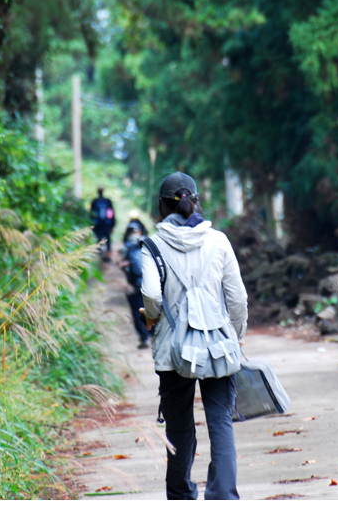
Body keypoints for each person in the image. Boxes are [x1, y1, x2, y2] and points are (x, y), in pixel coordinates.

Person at [139, 171, 248, 500]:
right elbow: (238, 299)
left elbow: (151, 296)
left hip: (173, 351)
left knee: (179, 428)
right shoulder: (219, 241)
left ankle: (182, 495)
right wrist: (236, 336)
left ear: (161, 206)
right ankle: (223, 496)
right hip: (217, 346)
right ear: (195, 201)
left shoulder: (152, 246)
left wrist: (153, 317)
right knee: (221, 422)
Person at [120, 219, 153, 349]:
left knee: (140, 311)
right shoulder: (148, 244)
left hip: (144, 283)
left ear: (140, 231)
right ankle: (148, 337)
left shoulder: (130, 247)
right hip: (144, 284)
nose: (133, 234)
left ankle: (146, 337)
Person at [90, 187, 116, 260]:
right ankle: (101, 255)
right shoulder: (96, 201)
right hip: (101, 224)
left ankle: (107, 254)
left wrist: (112, 224)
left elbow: (111, 212)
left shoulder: (102, 201)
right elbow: (92, 214)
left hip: (104, 224)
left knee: (104, 239)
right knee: (101, 239)